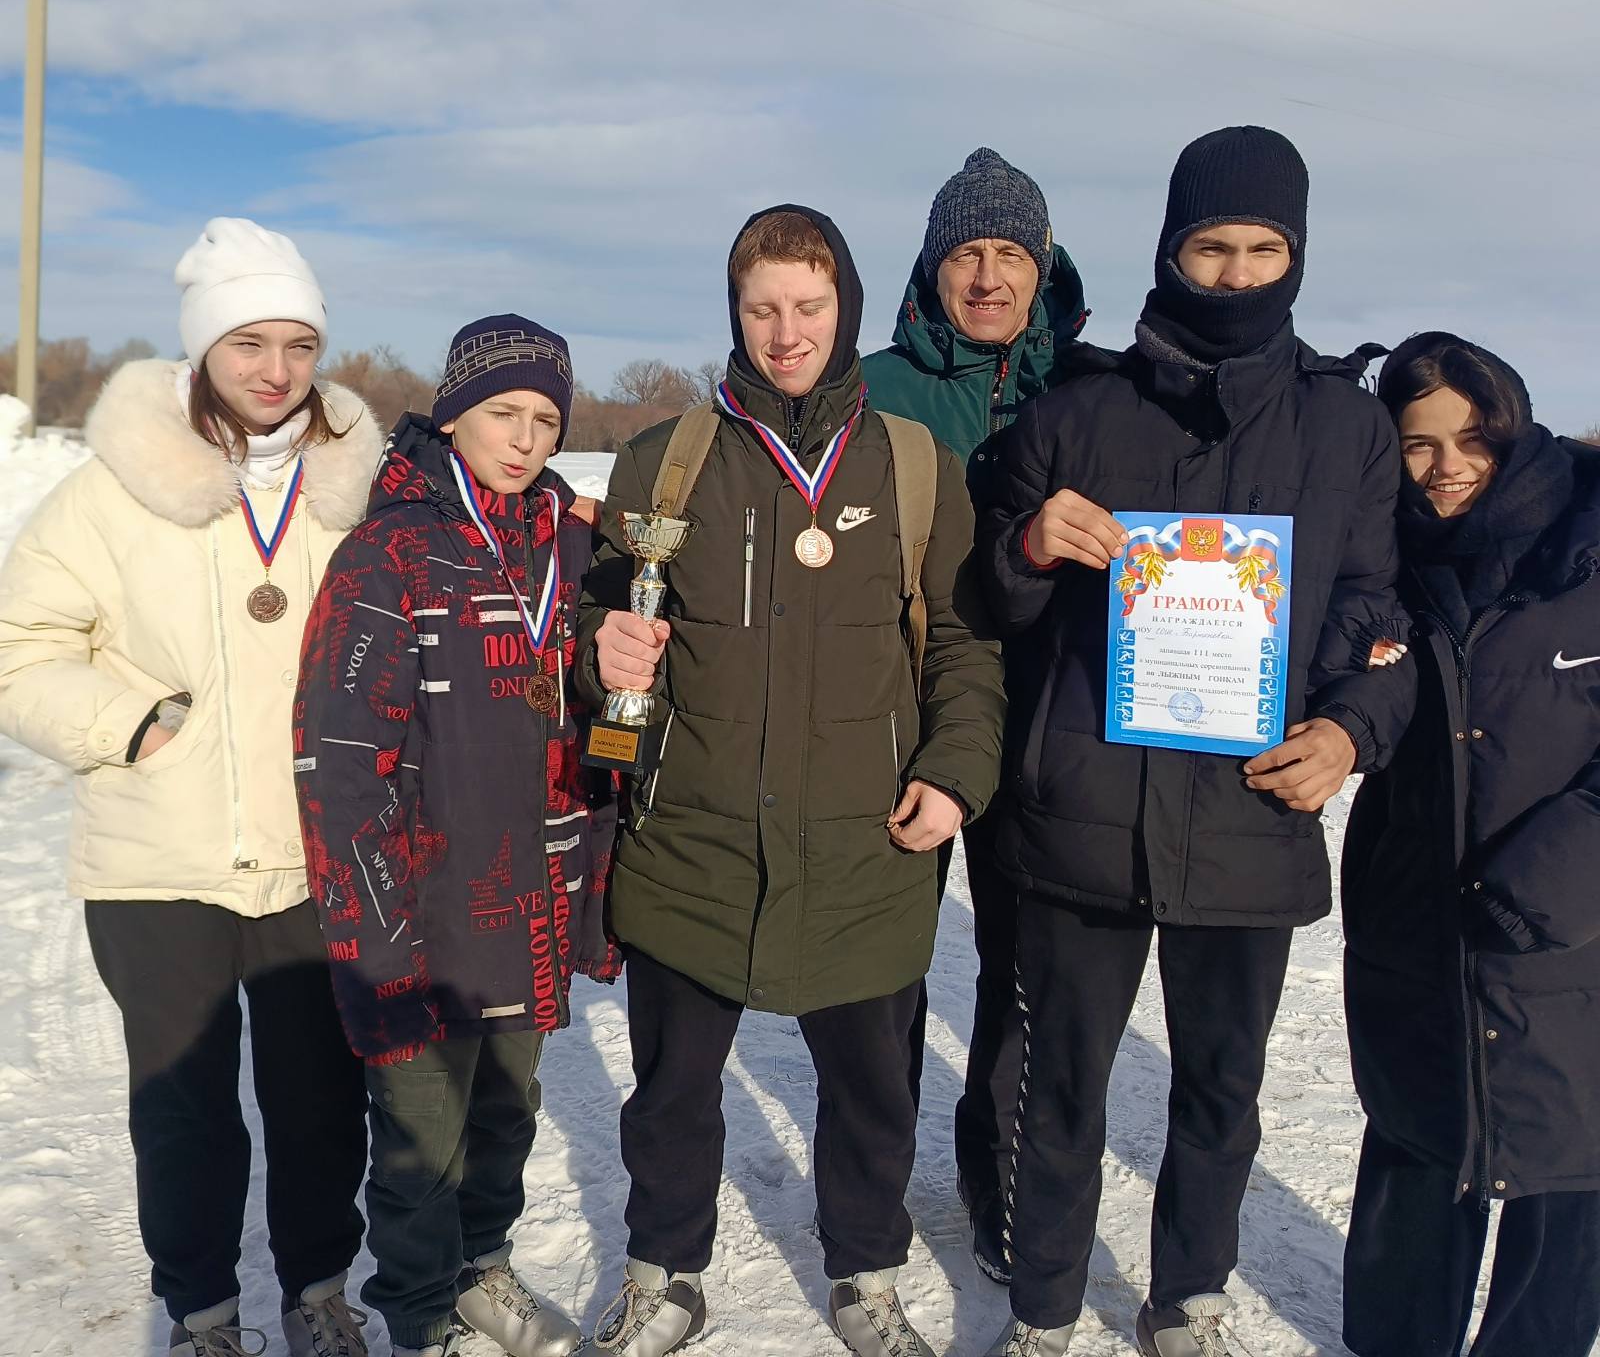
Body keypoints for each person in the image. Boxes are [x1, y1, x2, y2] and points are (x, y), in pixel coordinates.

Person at [976, 127, 1406, 1357]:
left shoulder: (1346, 430)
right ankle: (1046, 1311)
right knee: (1057, 1090)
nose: (1234, 272)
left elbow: (1376, 611)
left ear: (1297, 254)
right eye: (1209, 246)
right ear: (1169, 249)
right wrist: (1025, 546)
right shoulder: (1078, 409)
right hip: (1083, 813)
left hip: (1251, 814)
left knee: (1220, 1091)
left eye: (1261, 247)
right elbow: (986, 609)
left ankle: (1188, 1298)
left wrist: (1349, 730)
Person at [573, 205, 1004, 1356]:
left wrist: (956, 773)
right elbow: (599, 617)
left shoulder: (914, 465)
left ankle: (865, 1275)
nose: (784, 332)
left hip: (867, 842)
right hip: (692, 838)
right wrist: (593, 647)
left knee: (869, 1089)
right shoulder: (664, 459)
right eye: (761, 308)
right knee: (669, 1091)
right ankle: (663, 1274)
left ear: (844, 308)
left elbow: (964, 638)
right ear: (735, 313)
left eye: (807, 306)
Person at [0, 219, 380, 1356]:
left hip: (313, 854)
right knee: (185, 1110)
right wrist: (126, 721)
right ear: (204, 349)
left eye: (299, 344)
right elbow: (18, 643)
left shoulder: (351, 488)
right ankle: (205, 1312)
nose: (276, 371)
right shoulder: (115, 490)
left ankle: (318, 1294)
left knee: (321, 1105)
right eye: (249, 342)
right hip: (160, 864)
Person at [295, 315, 621, 1357]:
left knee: (506, 1110)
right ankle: (422, 1311)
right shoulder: (391, 549)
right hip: (426, 908)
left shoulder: (569, 542)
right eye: (501, 413)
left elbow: (582, 681)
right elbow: (341, 758)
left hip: (530, 891)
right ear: (453, 413)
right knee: (418, 1138)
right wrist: (372, 927)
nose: (524, 438)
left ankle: (483, 1264)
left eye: (542, 418)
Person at [1341, 332, 1600, 1357]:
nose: (1448, 465)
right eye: (1417, 444)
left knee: (1566, 1168)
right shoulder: (1379, 565)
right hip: (1415, 924)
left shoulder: (1583, 555)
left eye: (1473, 437)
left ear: (1515, 428)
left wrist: (1544, 884)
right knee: (1415, 1149)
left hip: (1567, 941)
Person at [861, 147, 1088, 1280]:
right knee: (886, 965)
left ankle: (992, 1175)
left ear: (1042, 267)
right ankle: (867, 1190)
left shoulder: (1089, 389)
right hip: (902, 720)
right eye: (967, 252)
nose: (988, 276)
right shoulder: (870, 387)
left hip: (1050, 721)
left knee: (1017, 968)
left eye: (1010, 253)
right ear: (932, 265)